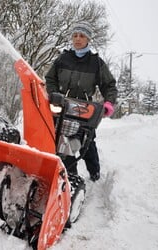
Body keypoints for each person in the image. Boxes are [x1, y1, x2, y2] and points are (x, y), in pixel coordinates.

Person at [45, 21, 118, 182]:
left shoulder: (96, 63)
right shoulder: (63, 59)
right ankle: (70, 176)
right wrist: (54, 93)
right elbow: (50, 78)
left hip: (85, 110)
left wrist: (108, 103)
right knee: (62, 141)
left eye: (82, 36)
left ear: (88, 39)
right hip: (63, 106)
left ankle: (95, 173)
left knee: (87, 142)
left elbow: (109, 85)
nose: (78, 39)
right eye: (75, 35)